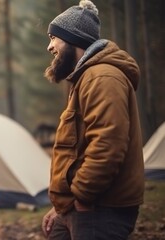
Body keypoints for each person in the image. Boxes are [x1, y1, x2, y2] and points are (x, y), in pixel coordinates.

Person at [41, 1, 145, 239]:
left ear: (72, 39)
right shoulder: (86, 77)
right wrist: (62, 205)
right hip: (80, 205)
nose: (50, 46)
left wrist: (83, 196)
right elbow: (76, 150)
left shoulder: (102, 77)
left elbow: (108, 144)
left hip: (99, 208)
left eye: (53, 38)